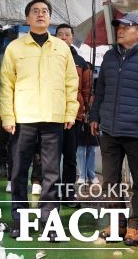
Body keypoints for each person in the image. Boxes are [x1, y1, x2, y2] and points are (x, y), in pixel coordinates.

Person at [0, 0, 79, 241]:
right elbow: (6, 84)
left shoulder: (61, 48)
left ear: (50, 18)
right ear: (27, 18)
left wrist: (69, 112)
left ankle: (49, 222)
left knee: (51, 173)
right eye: (35, 11)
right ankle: (19, 220)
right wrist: (7, 116)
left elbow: (71, 82)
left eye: (45, 11)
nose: (41, 14)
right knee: (19, 171)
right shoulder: (15, 47)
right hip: (23, 119)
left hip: (53, 119)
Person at [89, 12, 138, 246]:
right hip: (110, 129)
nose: (120, 30)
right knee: (110, 181)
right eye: (118, 26)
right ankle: (117, 222)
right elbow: (100, 91)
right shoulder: (110, 57)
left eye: (126, 26)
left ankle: (135, 225)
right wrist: (94, 116)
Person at [55, 23, 92, 206]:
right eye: (60, 34)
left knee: (70, 158)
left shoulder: (81, 62)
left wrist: (84, 110)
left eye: (67, 34)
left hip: (73, 116)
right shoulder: (49, 57)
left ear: (72, 37)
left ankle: (68, 195)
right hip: (51, 115)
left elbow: (86, 89)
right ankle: (51, 194)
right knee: (51, 159)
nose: (63, 37)